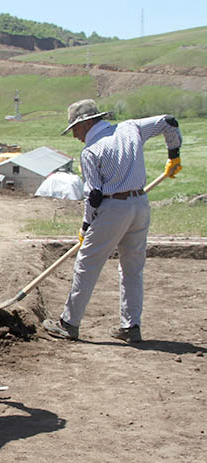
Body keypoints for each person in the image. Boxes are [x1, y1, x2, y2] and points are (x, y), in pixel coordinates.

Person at [43, 99, 182, 343]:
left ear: (85, 124)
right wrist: (174, 155)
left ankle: (69, 323)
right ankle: (131, 326)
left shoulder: (91, 151)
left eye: (74, 129)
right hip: (140, 205)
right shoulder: (131, 128)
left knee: (86, 265)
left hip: (113, 209)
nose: (75, 136)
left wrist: (85, 226)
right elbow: (169, 122)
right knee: (132, 268)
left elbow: (94, 196)